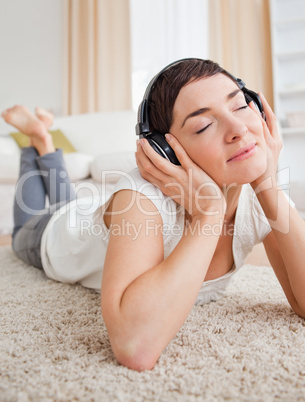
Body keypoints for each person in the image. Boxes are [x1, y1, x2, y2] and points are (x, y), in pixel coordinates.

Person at [3, 59, 305, 373]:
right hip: (51, 235)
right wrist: (209, 213)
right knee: (32, 220)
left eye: (241, 107)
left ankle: (43, 140)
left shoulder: (257, 193)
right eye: (203, 125)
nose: (240, 129)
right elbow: (135, 347)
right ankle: (35, 140)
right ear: (166, 151)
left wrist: (267, 186)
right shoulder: (141, 197)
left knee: (67, 202)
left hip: (86, 216)